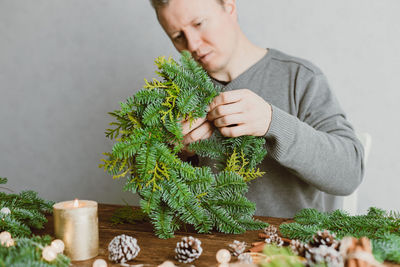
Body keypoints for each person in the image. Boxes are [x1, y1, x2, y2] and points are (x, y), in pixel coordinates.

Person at [149, 0, 364, 218]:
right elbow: (152, 203)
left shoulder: (300, 78)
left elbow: (350, 173)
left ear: (229, 7)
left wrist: (273, 122)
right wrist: (178, 154)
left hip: (286, 245)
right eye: (178, 36)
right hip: (206, 244)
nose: (192, 45)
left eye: (199, 23)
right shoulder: (173, 94)